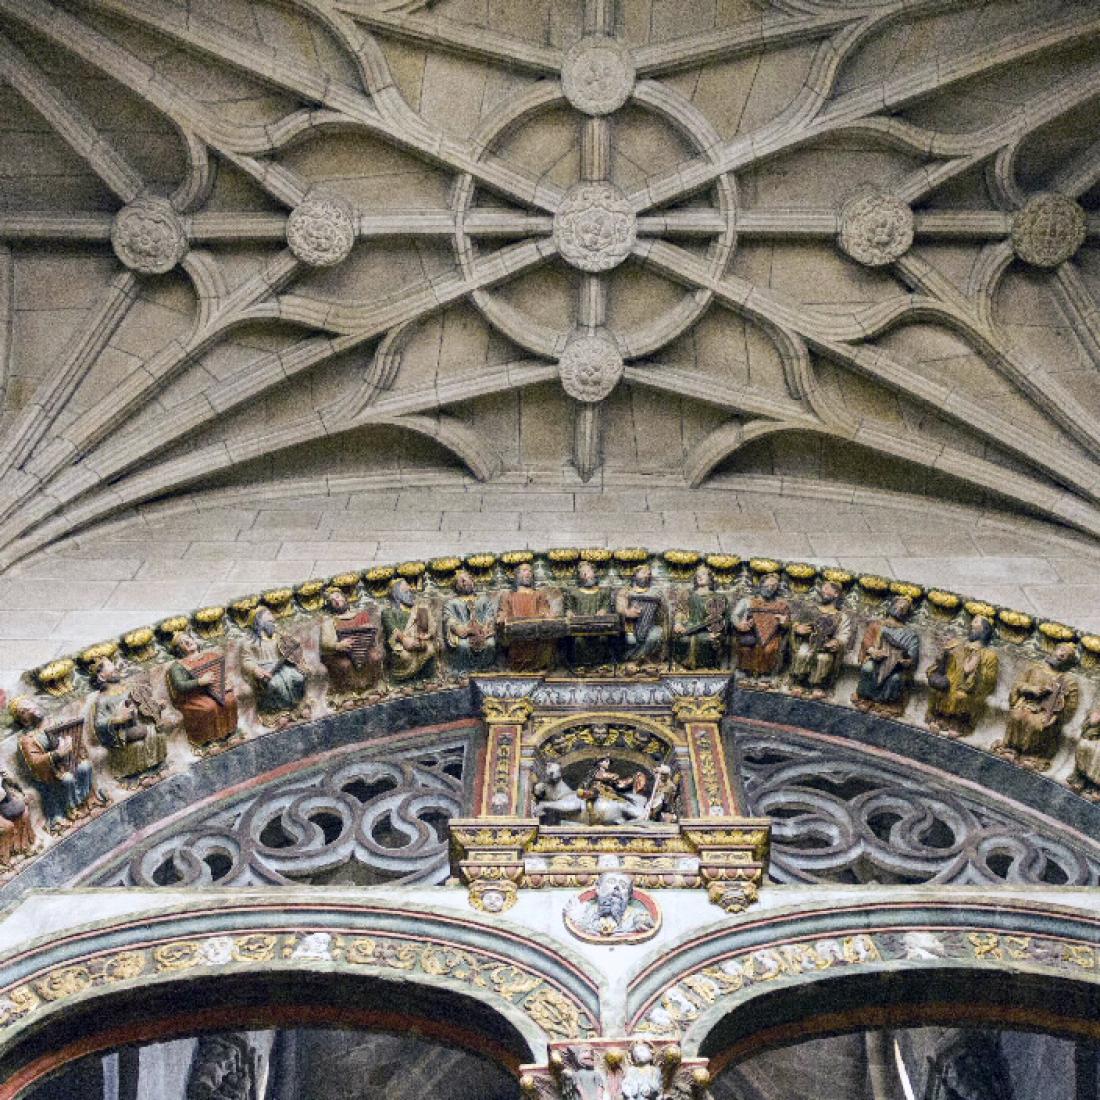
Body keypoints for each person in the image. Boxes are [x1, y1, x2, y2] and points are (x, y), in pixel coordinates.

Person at [12, 696, 100, 830]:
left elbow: (74, 739)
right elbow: (34, 762)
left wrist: (73, 745)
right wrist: (56, 754)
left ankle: (83, 801)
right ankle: (70, 809)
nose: (31, 708)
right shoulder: (27, 739)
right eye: (24, 711)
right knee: (67, 779)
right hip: (51, 773)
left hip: (69, 763)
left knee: (85, 767)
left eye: (30, 704)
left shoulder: (56, 723)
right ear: (23, 720)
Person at [1000, 642, 1079, 768]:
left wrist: (1057, 715)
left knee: (1036, 724)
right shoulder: (1035, 668)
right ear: (1053, 651)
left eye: (1067, 655)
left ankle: (1032, 756)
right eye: (1061, 650)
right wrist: (1031, 688)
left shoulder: (1068, 681)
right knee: (1017, 716)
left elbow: (1070, 707)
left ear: (1068, 661)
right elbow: (1018, 684)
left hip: (1047, 713)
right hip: (1027, 704)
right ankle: (1011, 748)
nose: (1062, 654)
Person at [86, 658, 167, 780]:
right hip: (120, 733)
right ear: (101, 676)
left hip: (136, 723)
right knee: (146, 731)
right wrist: (118, 719)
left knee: (157, 730)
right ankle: (143, 771)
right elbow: (99, 723)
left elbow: (143, 705)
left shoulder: (127, 688)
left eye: (112, 664)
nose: (114, 667)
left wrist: (157, 706)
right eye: (109, 665)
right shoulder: (103, 699)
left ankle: (154, 766)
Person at [925, 615, 999, 735]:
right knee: (943, 689)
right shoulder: (959, 646)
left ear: (985, 630)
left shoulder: (989, 655)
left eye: (976, 624)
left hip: (971, 689)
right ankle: (939, 719)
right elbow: (945, 665)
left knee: (961, 696)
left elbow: (990, 680)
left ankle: (957, 725)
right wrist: (944, 656)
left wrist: (977, 669)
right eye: (972, 624)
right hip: (951, 682)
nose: (971, 625)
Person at [852, 596, 920, 716]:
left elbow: (912, 656)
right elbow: (867, 641)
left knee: (895, 679)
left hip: (895, 668)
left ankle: (887, 704)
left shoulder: (910, 635)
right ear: (891, 606)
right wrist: (873, 651)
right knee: (868, 668)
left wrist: (905, 661)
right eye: (899, 604)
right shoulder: (877, 625)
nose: (901, 607)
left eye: (904, 607)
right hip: (875, 661)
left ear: (907, 613)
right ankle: (865, 698)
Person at [167, 633, 238, 746]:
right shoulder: (178, 666)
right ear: (179, 649)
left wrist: (227, 682)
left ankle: (230, 732)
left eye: (188, 638)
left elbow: (222, 673)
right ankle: (208, 740)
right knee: (209, 707)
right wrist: (199, 682)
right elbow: (179, 685)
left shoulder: (211, 656)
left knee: (230, 700)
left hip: (217, 689)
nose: (188, 642)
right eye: (182, 642)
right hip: (195, 696)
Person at [788, 579, 851, 698]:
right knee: (802, 654)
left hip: (824, 647)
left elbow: (844, 635)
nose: (823, 591)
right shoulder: (811, 609)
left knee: (823, 659)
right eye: (823, 589)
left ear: (836, 594)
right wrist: (798, 628)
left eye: (827, 589)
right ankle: (799, 682)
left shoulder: (841, 616)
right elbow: (796, 623)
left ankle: (818, 685)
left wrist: (836, 642)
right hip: (809, 642)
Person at [240, 607, 307, 716]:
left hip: (283, 665)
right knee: (275, 684)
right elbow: (246, 660)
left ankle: (299, 705)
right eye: (268, 617)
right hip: (265, 669)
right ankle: (279, 711)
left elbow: (291, 646)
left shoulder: (278, 635)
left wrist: (296, 652)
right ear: (259, 620)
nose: (273, 619)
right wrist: (255, 669)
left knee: (298, 677)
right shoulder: (249, 641)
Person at [319, 589, 383, 696]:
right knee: (345, 665)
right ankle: (347, 693)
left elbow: (371, 636)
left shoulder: (361, 615)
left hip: (363, 650)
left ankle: (372, 686)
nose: (337, 601)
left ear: (344, 598)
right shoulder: (330, 620)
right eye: (333, 601)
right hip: (339, 654)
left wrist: (368, 630)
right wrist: (337, 645)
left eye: (338, 597)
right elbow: (325, 642)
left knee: (375, 657)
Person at [498, 562, 556, 672]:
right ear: (517, 575)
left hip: (536, 630)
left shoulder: (539, 594)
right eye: (524, 571)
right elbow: (503, 612)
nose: (528, 573)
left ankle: (538, 667)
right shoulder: (508, 595)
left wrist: (547, 615)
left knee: (547, 637)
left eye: (530, 571)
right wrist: (502, 618)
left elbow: (544, 610)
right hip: (516, 630)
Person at [732, 572, 790, 682]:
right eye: (767, 585)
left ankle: (765, 673)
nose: (770, 588)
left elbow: (787, 624)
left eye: (774, 586)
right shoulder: (747, 601)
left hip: (772, 636)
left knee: (769, 649)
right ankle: (745, 672)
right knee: (747, 647)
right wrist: (739, 624)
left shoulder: (781, 605)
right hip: (750, 632)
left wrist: (784, 622)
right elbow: (735, 615)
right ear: (761, 585)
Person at [381, 578, 439, 682]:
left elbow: (431, 626)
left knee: (430, 650)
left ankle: (427, 679)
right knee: (405, 656)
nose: (410, 588)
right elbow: (392, 629)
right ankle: (401, 682)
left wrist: (426, 636)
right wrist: (404, 640)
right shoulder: (388, 612)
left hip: (418, 640)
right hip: (398, 642)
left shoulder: (420, 608)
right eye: (405, 587)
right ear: (396, 592)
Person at [672, 564, 727, 670]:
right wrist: (678, 623)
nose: (699, 577)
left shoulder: (718, 597)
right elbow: (681, 611)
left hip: (708, 629)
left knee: (708, 640)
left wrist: (716, 631)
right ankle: (683, 666)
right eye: (697, 575)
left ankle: (706, 667)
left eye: (703, 574)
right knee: (682, 639)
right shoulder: (688, 594)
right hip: (690, 626)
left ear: (710, 578)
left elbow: (722, 618)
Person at [564, 561, 617, 671]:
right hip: (580, 627)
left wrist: (603, 610)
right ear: (579, 576)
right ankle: (582, 665)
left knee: (603, 639)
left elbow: (606, 606)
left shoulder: (603, 592)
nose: (585, 574)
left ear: (594, 573)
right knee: (579, 641)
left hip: (600, 626)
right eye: (582, 572)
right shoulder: (573, 592)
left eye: (588, 571)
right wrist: (569, 612)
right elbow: (568, 607)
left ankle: (601, 664)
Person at [442, 570, 498, 673]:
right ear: (456, 585)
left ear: (472, 581)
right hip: (464, 635)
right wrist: (462, 629)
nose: (464, 582)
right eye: (461, 581)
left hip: (482, 633)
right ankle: (463, 672)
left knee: (490, 643)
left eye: (466, 579)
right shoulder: (451, 603)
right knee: (463, 646)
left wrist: (486, 627)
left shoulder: (483, 600)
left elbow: (489, 615)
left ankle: (486, 670)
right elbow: (448, 619)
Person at [616, 564, 665, 669]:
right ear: (635, 575)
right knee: (630, 640)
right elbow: (620, 609)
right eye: (642, 573)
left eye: (648, 574)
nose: (646, 576)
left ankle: (636, 660)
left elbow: (663, 612)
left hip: (651, 625)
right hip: (630, 626)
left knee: (654, 636)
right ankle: (632, 658)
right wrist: (627, 612)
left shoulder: (656, 593)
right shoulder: (626, 591)